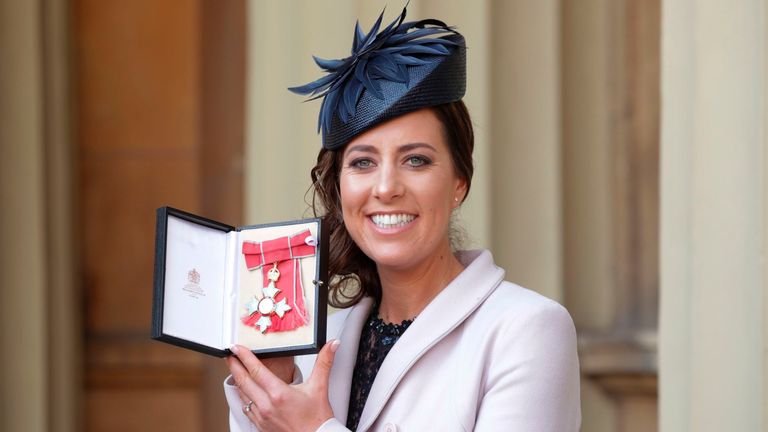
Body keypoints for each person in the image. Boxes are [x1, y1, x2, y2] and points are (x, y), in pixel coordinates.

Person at [223, 6, 581, 431]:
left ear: (459, 183)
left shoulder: (526, 329)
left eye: (416, 160)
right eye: (362, 163)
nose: (386, 187)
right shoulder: (314, 345)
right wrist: (273, 386)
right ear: (339, 186)